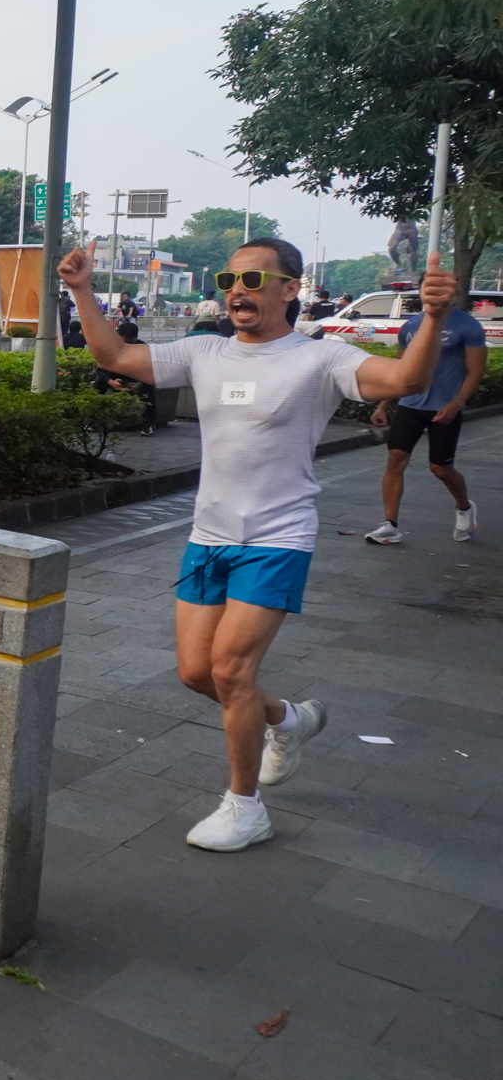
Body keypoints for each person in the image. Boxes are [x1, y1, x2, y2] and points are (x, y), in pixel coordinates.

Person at [63, 236, 456, 852]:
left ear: (291, 289)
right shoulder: (205, 351)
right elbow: (113, 354)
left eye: (253, 280)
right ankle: (289, 719)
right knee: (197, 673)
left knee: (231, 670)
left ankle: (244, 808)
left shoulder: (321, 359)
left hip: (278, 537)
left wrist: (431, 317)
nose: (237, 291)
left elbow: (407, 379)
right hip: (209, 535)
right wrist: (82, 290)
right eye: (229, 281)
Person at [364, 297, 486, 545]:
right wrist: (384, 404)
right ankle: (390, 525)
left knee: (440, 468)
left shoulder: (467, 325)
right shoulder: (411, 326)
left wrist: (457, 403)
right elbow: (400, 369)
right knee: (396, 458)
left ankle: (464, 507)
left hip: (444, 407)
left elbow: (475, 370)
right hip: (410, 405)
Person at [94, 320, 157, 435]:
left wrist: (139, 384)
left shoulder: (143, 348)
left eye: (130, 342)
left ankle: (148, 424)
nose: (127, 346)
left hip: (136, 378)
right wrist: (110, 381)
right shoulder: (110, 347)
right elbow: (100, 369)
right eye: (124, 342)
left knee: (149, 387)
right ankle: (93, 419)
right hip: (116, 377)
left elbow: (150, 371)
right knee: (99, 383)